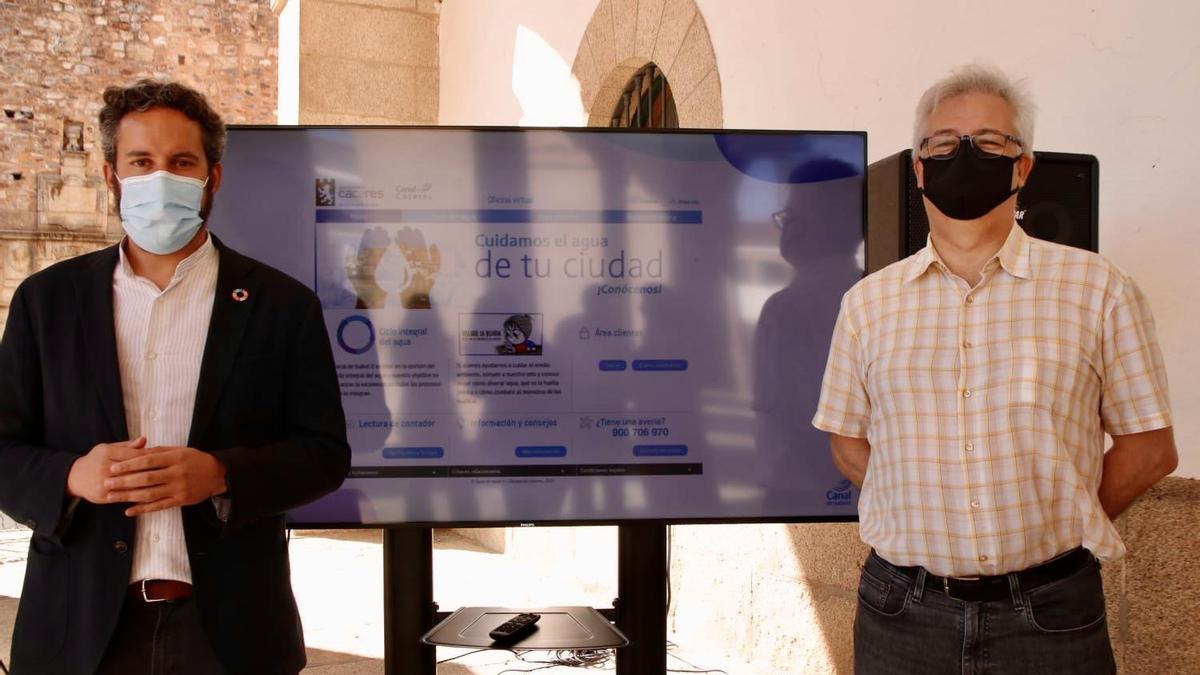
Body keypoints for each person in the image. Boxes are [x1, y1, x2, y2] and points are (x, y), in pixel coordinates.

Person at [813, 64, 1177, 674]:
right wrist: (921, 511)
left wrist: (1059, 520)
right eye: (944, 144)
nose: (965, 156)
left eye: (989, 143)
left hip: (1051, 615)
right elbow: (847, 440)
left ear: (1023, 166)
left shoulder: (1099, 289)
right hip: (902, 612)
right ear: (919, 168)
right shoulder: (867, 304)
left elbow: (1149, 449)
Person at [0, 80, 351, 674]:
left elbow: (324, 454)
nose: (160, 177)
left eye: (181, 162)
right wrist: (71, 475)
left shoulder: (281, 305)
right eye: (141, 162)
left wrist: (220, 473)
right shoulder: (46, 301)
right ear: (112, 177)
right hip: (77, 631)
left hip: (230, 633)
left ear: (212, 177)